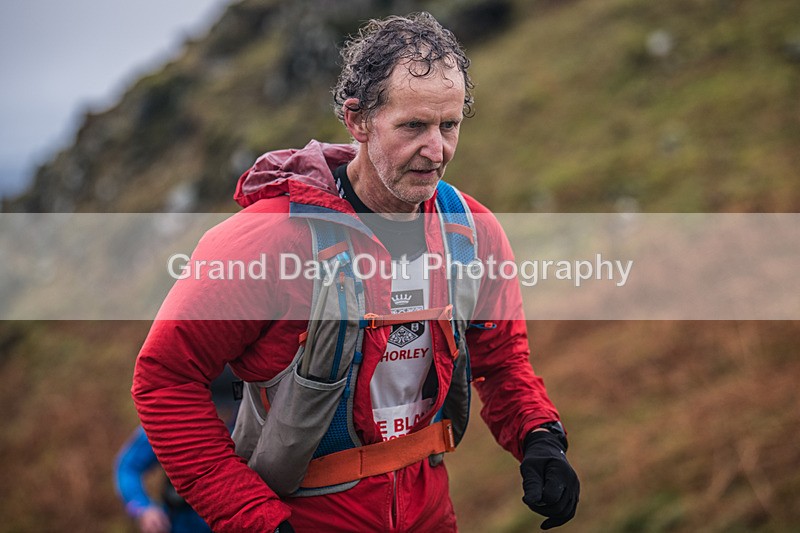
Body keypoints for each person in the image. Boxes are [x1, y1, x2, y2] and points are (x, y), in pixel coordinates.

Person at [132, 12, 579, 532]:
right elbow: (164, 380)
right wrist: (249, 517)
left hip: (431, 515)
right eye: (413, 126)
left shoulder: (471, 233)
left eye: (449, 125)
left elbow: (501, 363)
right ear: (358, 119)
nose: (437, 151)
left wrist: (540, 437)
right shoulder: (268, 241)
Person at [117, 367, 240, 533]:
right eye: (218, 409)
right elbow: (128, 467)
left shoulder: (249, 424)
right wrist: (143, 508)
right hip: (181, 523)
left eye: (228, 410)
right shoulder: (171, 424)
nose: (224, 417)